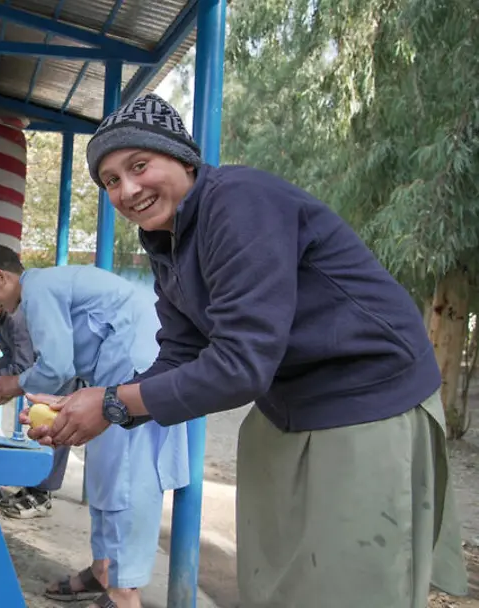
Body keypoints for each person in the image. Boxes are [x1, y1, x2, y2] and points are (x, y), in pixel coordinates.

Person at [26, 93, 469, 608]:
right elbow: (180, 353)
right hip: (288, 406)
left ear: (183, 157)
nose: (128, 189)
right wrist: (108, 405)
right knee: (279, 581)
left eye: (139, 165)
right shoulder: (168, 242)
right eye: (111, 181)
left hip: (367, 399)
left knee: (351, 586)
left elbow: (241, 364)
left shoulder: (238, 202)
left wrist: (112, 403)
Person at [0, 244, 188, 608]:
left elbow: (56, 367)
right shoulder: (44, 289)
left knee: (128, 475)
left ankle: (125, 590)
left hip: (136, 367)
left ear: (1, 278)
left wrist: (15, 385)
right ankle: (104, 569)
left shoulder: (36, 291)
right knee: (104, 467)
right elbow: (65, 368)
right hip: (111, 372)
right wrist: (51, 403)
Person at [0, 288, 76, 518]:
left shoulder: (17, 319)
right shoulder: (2, 322)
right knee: (38, 429)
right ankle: (34, 487)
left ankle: (43, 496)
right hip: (39, 376)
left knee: (55, 431)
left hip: (56, 377)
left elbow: (22, 366)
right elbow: (8, 357)